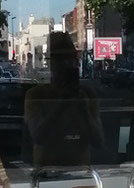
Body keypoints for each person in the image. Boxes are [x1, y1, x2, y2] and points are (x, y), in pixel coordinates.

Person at [22, 30, 104, 168]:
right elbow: (37, 136)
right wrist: (61, 105)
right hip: (46, 169)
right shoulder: (36, 95)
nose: (65, 64)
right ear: (51, 63)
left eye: (69, 58)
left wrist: (84, 109)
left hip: (81, 170)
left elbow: (99, 141)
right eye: (60, 59)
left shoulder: (87, 94)